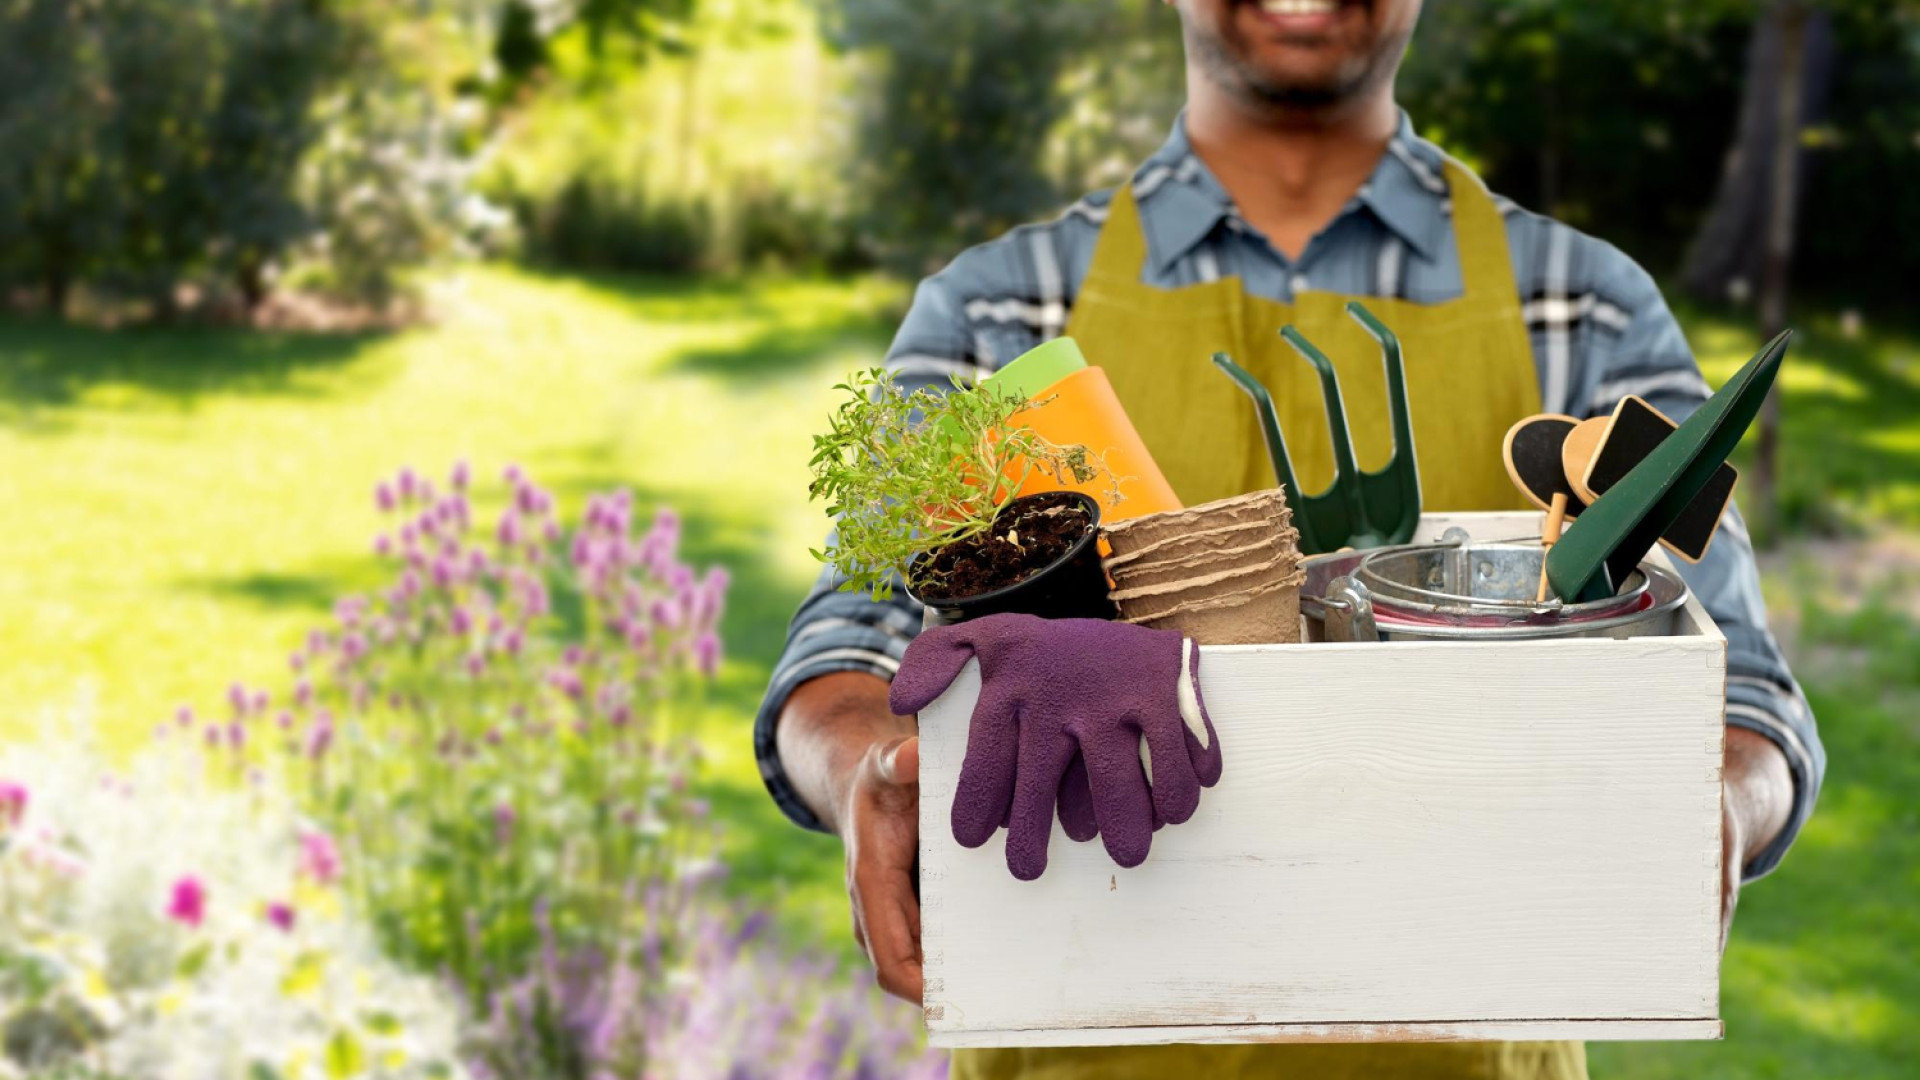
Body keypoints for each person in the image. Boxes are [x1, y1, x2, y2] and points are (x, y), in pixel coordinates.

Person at [754, 2, 1826, 1077]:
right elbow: (849, 643)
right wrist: (862, 767)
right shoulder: (998, 312)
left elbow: (1740, 689)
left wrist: (1717, 794)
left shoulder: (1584, 305)